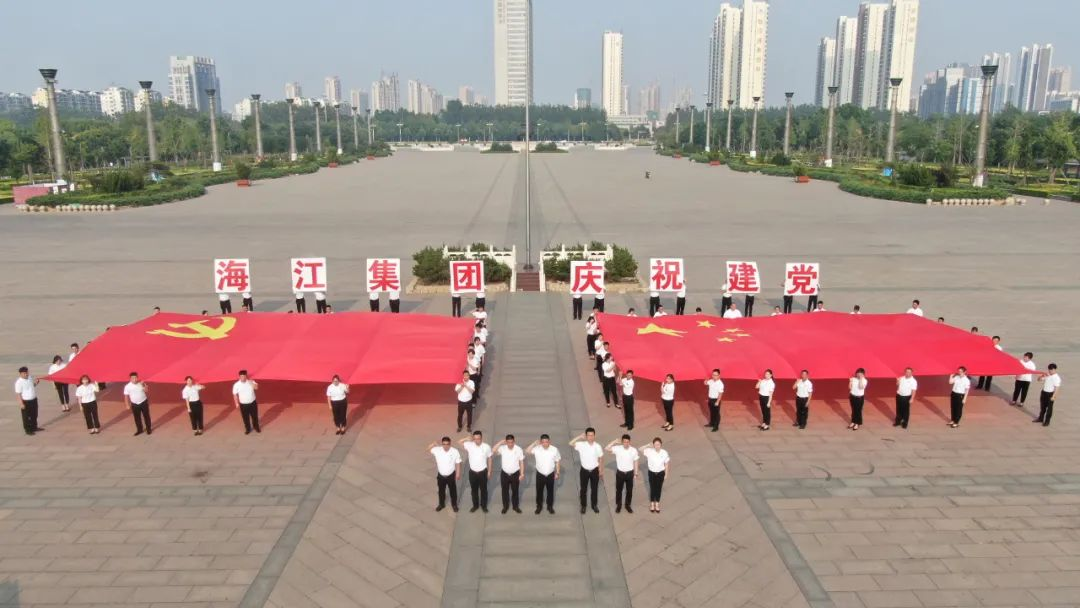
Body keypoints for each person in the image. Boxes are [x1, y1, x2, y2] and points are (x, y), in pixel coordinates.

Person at [570, 428, 604, 514]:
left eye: (592, 435)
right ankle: (583, 506)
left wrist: (600, 470)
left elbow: (600, 458)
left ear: (594, 436)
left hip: (595, 471)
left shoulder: (597, 446)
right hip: (584, 471)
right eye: (588, 435)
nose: (590, 437)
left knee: (594, 489)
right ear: (586, 436)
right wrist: (579, 437)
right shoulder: (581, 445)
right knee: (583, 489)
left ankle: (594, 505)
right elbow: (570, 443)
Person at [459, 431, 492, 513]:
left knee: (484, 490)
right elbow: (459, 442)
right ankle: (475, 505)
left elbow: (490, 459)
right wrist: (466, 438)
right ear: (473, 439)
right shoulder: (469, 445)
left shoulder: (486, 447)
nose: (477, 441)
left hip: (483, 472)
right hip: (472, 473)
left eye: (479, 439)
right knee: (474, 490)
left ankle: (484, 506)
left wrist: (489, 471)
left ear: (481, 438)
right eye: (475, 439)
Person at [528, 434, 561, 514]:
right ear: (541, 442)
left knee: (550, 491)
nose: (545, 443)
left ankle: (550, 506)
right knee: (539, 491)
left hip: (550, 474)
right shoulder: (537, 449)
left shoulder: (554, 450)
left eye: (546, 442)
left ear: (549, 441)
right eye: (543, 442)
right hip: (540, 474)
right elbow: (527, 451)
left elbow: (557, 461)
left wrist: (557, 472)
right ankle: (539, 506)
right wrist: (534, 443)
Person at [427, 437, 462, 512]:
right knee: (441, 491)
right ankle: (441, 504)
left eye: (447, 444)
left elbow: (458, 462)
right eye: (444, 444)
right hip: (441, 476)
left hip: (451, 475)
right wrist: (433, 444)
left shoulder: (454, 451)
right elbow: (428, 449)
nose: (446, 446)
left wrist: (458, 473)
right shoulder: (437, 450)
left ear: (450, 444)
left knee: (453, 491)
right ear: (442, 444)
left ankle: (454, 505)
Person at [606, 435, 639, 514]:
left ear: (629, 442)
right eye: (624, 442)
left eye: (627, 442)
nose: (626, 444)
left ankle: (628, 505)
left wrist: (636, 473)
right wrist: (614, 442)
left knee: (629, 490)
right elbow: (607, 448)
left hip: (630, 473)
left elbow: (636, 461)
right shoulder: (618, 448)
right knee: (619, 490)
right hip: (620, 473)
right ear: (622, 442)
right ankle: (619, 505)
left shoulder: (633, 450)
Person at [492, 434, 525, 514]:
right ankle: (505, 507)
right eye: (508, 442)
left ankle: (515, 507)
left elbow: (521, 462)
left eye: (512, 442)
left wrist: (522, 473)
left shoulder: (518, 449)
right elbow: (493, 450)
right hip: (504, 474)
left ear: (514, 441)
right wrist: (500, 442)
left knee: (515, 491)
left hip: (515, 474)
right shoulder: (502, 448)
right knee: (504, 491)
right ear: (506, 442)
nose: (510, 444)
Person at [641, 437, 670, 514]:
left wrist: (666, 474)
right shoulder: (649, 451)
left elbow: (666, 464)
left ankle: (657, 503)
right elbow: (640, 449)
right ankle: (652, 504)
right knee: (652, 488)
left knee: (659, 489)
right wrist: (648, 445)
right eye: (655, 444)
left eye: (658, 444)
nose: (657, 446)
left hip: (660, 473)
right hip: (652, 473)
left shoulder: (664, 453)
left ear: (661, 445)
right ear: (653, 445)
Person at [14, 366, 41, 436]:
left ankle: (34, 427)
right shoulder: (19, 382)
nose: (26, 374)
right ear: (20, 374)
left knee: (34, 414)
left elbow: (32, 386)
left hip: (34, 399)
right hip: (26, 401)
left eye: (27, 372)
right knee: (26, 416)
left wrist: (36, 383)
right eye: (24, 373)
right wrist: (21, 403)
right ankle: (28, 430)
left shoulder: (30, 378)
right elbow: (18, 394)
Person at [123, 372, 152, 436]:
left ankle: (148, 429)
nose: (135, 379)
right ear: (130, 379)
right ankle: (139, 430)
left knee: (146, 416)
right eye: (133, 378)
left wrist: (144, 386)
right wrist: (127, 405)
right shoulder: (127, 386)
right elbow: (126, 396)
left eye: (136, 378)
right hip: (134, 404)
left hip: (143, 402)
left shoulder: (141, 383)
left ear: (137, 377)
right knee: (137, 418)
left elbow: (146, 391)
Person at [232, 370, 261, 434]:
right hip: (243, 404)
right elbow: (235, 395)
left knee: (254, 416)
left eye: (244, 376)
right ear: (239, 377)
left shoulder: (251, 381)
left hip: (252, 403)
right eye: (241, 376)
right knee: (245, 417)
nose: (243, 378)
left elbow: (256, 388)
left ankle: (256, 427)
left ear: (246, 376)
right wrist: (236, 404)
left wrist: (251, 383)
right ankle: (248, 429)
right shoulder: (236, 385)